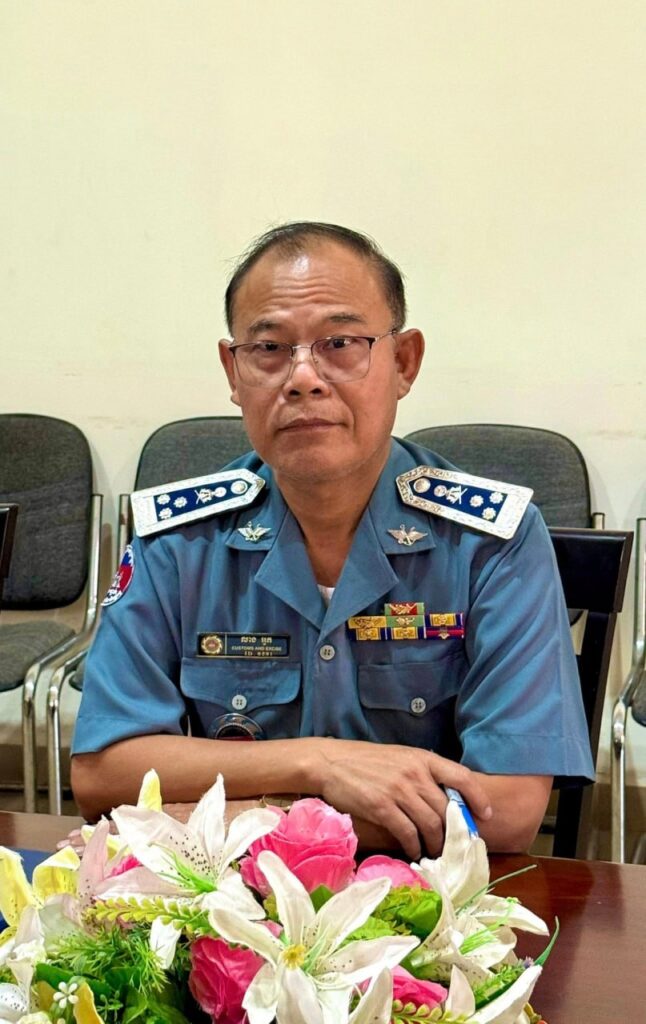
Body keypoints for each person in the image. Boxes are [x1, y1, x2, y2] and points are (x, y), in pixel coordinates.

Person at [71, 222, 594, 858]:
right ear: (233, 371)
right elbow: (103, 773)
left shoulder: (490, 542)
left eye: (340, 344)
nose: (303, 378)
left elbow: (506, 811)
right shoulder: (178, 541)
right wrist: (318, 763)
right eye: (269, 348)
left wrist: (214, 818)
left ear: (403, 363)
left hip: (427, 902)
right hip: (223, 899)